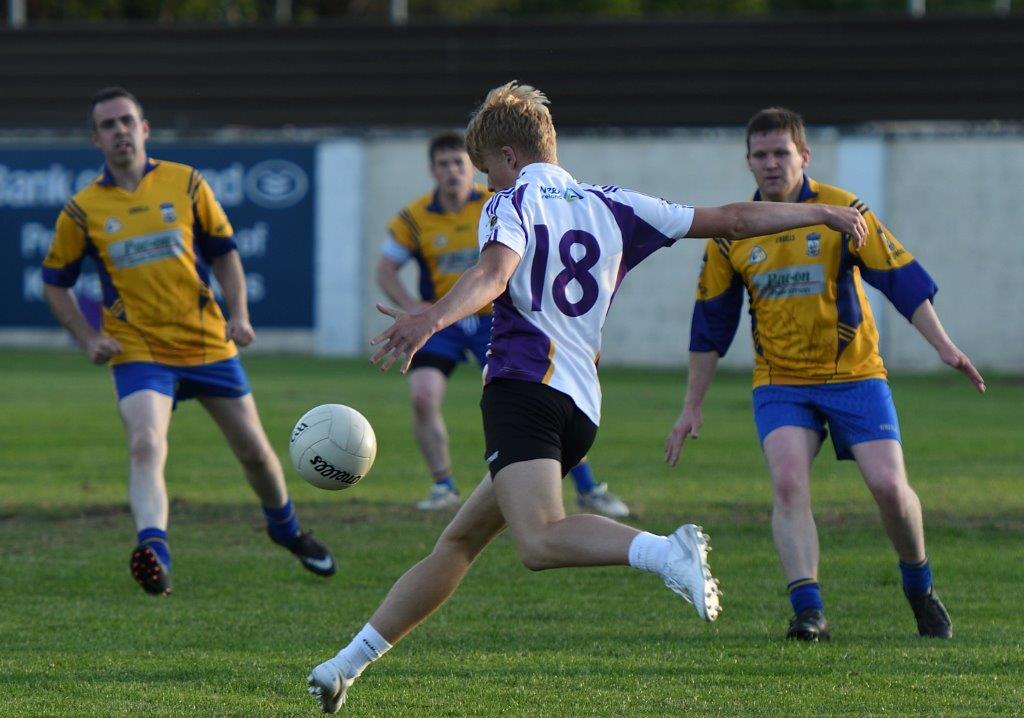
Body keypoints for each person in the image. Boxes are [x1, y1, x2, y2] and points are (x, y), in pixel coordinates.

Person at [306, 82, 868, 713]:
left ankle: (664, 550)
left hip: (523, 390)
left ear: (510, 155)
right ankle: (343, 667)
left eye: (487, 169)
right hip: (579, 409)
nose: (487, 183)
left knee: (539, 542)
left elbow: (493, 274)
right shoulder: (615, 203)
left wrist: (430, 318)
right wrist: (819, 212)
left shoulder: (510, 200)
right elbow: (733, 220)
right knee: (459, 543)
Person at [665, 107, 985, 642]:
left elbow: (900, 278)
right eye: (760, 154)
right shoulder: (733, 231)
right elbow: (710, 324)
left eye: (781, 153)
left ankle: (919, 587)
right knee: (789, 484)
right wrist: (691, 404)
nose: (770, 163)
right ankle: (808, 611)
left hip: (856, 375)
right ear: (748, 161)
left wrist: (945, 347)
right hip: (781, 382)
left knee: (889, 488)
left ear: (803, 156)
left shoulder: (842, 209)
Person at [41, 87, 336, 596]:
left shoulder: (186, 182)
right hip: (138, 349)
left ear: (145, 128)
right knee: (145, 442)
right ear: (96, 139)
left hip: (204, 342)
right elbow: (54, 281)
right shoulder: (83, 209)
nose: (119, 131)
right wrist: (88, 337)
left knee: (256, 453)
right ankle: (154, 549)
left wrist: (239, 315)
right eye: (108, 125)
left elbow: (225, 252)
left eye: (127, 121)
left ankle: (287, 531)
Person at [379, 131, 630, 517]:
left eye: (458, 163)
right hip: (443, 320)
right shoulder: (414, 218)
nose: (452, 171)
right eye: (443, 164)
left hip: (496, 321)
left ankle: (589, 488)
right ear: (432, 170)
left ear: (472, 166)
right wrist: (415, 307)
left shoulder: (497, 202)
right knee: (422, 395)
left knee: (542, 398)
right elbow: (385, 270)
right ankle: (443, 485)